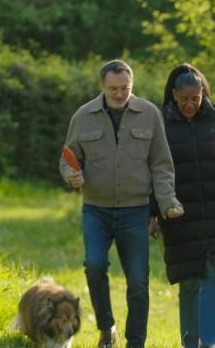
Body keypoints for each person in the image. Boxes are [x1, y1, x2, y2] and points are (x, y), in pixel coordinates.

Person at [59, 59, 183, 348]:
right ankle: (106, 328)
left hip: (135, 210)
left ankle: (135, 341)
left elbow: (162, 165)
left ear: (132, 85)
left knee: (138, 280)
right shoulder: (83, 116)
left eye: (124, 88)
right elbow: (67, 157)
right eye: (113, 88)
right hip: (96, 209)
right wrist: (71, 175)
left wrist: (167, 203)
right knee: (95, 265)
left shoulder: (149, 114)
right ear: (102, 87)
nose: (118, 94)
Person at [150, 63, 215, 348]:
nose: (190, 104)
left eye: (196, 98)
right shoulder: (160, 122)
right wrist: (153, 211)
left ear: (203, 93)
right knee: (189, 278)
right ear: (174, 95)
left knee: (213, 272)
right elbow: (150, 168)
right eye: (184, 98)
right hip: (178, 212)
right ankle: (191, 341)